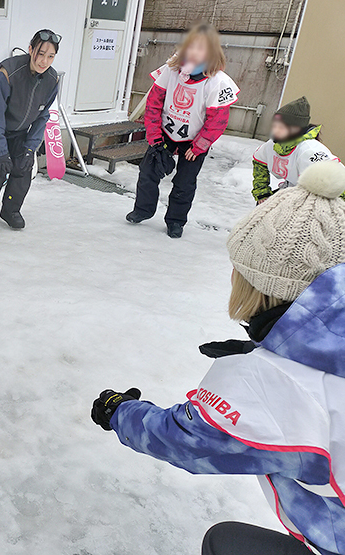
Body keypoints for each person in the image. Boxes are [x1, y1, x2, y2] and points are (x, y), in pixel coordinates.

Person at [93, 160, 345, 555]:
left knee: (224, 544)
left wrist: (120, 411)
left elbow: (187, 440)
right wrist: (271, 348)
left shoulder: (269, 383)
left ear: (256, 283)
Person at [126, 24, 239, 238]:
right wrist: (154, 136)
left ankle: (176, 221)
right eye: (192, 47)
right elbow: (153, 104)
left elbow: (218, 120)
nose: (194, 52)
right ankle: (142, 210)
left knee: (184, 183)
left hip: (194, 139)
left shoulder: (218, 82)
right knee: (148, 172)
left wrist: (200, 146)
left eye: (202, 49)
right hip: (166, 132)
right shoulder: (171, 69)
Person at [0, 29, 61, 229]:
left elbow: (43, 116)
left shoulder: (51, 80)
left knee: (23, 165)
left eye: (50, 56)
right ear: (31, 50)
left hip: (18, 130)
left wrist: (30, 148)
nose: (44, 61)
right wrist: (2, 151)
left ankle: (11, 209)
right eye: (40, 54)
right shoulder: (8, 73)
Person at [252, 96, 339, 203]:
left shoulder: (309, 151)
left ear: (296, 129)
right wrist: (262, 193)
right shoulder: (273, 145)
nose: (275, 130)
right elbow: (259, 162)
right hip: (291, 191)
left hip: (321, 198)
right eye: (274, 125)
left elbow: (333, 183)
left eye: (281, 127)